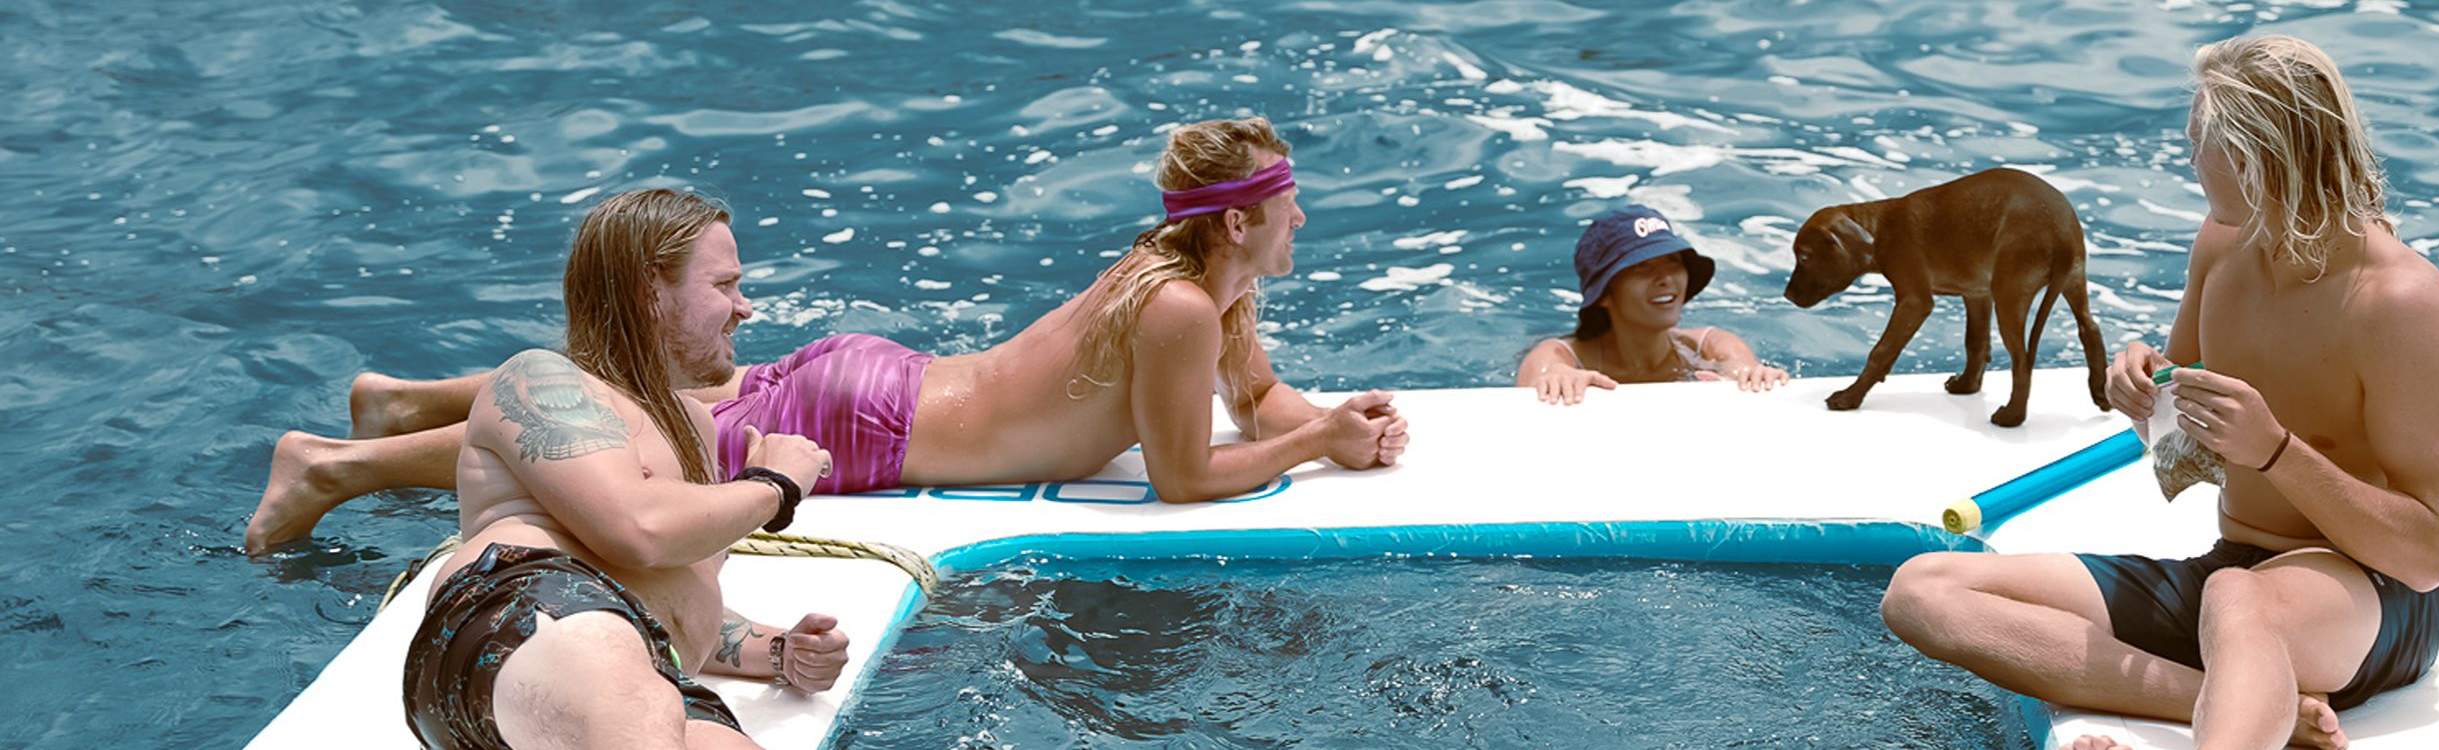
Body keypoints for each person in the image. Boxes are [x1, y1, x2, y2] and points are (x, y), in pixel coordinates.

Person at [248, 117, 1411, 554]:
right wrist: (1311, 452)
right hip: (873, 428)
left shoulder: (1201, 287)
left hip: (877, 383)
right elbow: (1184, 478)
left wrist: (1328, 423)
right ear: (1246, 221)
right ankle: (334, 467)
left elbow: (1255, 405)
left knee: (667, 407)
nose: (1304, 218)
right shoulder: (1177, 309)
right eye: (1292, 205)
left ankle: (403, 403)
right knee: (618, 444)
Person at [1877, 35, 2439, 750]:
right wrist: (2145, 399)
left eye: (2199, 144)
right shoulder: (2222, 243)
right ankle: (2255, 704)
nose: (2188, 161)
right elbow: (2185, 458)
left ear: (2257, 156)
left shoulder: (2399, 300)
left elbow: (2427, 554)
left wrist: (2277, 452)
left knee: (2234, 598)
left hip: (2370, 600)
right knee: (1925, 590)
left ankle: (2247, 703)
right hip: (2235, 573)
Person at [402, 188, 851, 749]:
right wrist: (774, 485)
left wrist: (775, 650)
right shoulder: (543, 381)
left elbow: (667, 586)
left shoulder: (693, 424)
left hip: (647, 661)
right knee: (638, 709)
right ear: (649, 291)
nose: (745, 307)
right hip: (528, 608)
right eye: (723, 285)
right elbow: (636, 530)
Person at [1513, 204, 1787, 404]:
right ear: (1604, 294)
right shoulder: (1560, 356)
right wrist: (1556, 380)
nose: (1666, 278)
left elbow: (1739, 368)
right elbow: (1542, 374)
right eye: (1642, 267)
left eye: (1673, 262)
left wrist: (1752, 378)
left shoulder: (1712, 347)